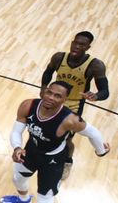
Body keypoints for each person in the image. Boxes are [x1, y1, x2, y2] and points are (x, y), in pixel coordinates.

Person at [0, 81, 110, 203]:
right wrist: (17, 147)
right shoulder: (28, 105)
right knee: (17, 179)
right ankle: (24, 199)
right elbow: (16, 131)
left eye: (57, 96)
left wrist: (101, 150)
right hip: (31, 152)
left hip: (52, 162)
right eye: (49, 93)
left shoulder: (70, 119)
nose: (51, 97)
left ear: (65, 99)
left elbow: (93, 133)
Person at [41, 31, 109, 179]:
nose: (77, 46)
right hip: (54, 99)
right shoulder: (59, 57)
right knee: (44, 128)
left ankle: (67, 162)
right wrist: (43, 87)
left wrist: (95, 96)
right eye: (75, 43)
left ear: (88, 47)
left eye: (82, 45)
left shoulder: (95, 65)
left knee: (67, 138)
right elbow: (48, 72)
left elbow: (105, 91)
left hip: (74, 104)